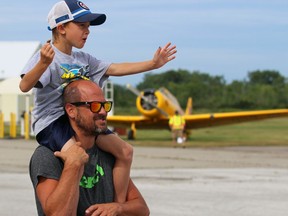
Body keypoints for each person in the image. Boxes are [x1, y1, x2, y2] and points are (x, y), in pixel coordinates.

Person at [19, 0, 176, 203]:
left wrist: (153, 64)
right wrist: (42, 64)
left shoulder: (83, 59)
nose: (88, 31)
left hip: (80, 120)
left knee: (125, 151)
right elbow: (24, 86)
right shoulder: (47, 55)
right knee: (77, 158)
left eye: (89, 26)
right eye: (82, 25)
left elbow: (116, 68)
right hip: (52, 122)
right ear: (61, 27)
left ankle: (117, 205)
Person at [30, 79, 150, 216]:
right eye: (95, 106)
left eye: (105, 105)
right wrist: (73, 165)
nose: (104, 111)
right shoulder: (48, 156)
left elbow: (142, 209)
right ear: (71, 110)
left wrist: (117, 208)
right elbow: (57, 214)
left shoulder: (110, 155)